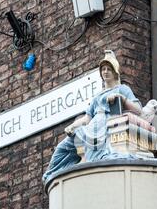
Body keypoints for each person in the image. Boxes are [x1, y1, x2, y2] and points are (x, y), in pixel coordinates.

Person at [42, 50, 142, 183]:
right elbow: (87, 118)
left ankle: (88, 164)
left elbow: (138, 109)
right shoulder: (97, 96)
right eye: (103, 69)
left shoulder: (122, 89)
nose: (105, 72)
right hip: (92, 125)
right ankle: (51, 175)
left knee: (93, 147)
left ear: (115, 72)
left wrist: (122, 99)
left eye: (109, 69)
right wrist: (72, 126)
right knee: (63, 147)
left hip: (106, 124)